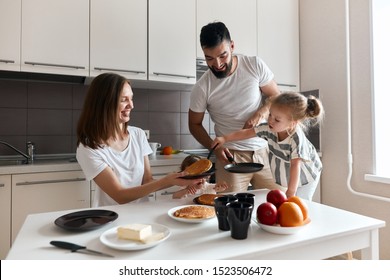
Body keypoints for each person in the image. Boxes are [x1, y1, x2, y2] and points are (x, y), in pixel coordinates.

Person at [76, 73, 202, 207]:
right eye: (124, 100)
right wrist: (168, 181)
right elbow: (120, 195)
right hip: (110, 218)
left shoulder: (138, 135)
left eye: (131, 98)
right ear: (103, 104)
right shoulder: (89, 147)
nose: (131, 105)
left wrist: (181, 181)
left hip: (141, 213)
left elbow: (147, 181)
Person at [189, 21, 281, 193]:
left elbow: (276, 96)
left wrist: (261, 112)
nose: (217, 64)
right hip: (230, 157)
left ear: (232, 46)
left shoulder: (254, 65)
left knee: (279, 206)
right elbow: (194, 124)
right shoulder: (202, 87)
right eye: (209, 58)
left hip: (265, 151)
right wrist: (214, 147)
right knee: (229, 212)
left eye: (222, 55)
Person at [212, 92, 324, 201]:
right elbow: (246, 133)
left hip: (307, 176)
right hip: (290, 174)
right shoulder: (269, 128)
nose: (270, 120)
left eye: (277, 119)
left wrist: (290, 192)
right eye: (270, 114)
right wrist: (224, 138)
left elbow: (296, 166)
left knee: (300, 205)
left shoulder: (296, 139)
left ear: (292, 123)